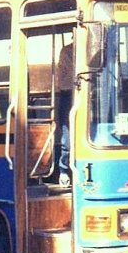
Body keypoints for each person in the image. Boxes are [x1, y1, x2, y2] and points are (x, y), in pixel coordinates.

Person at [56, 40, 74, 187]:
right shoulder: (67, 51)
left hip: (92, 97)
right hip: (68, 96)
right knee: (67, 138)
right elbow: (63, 81)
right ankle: (63, 170)